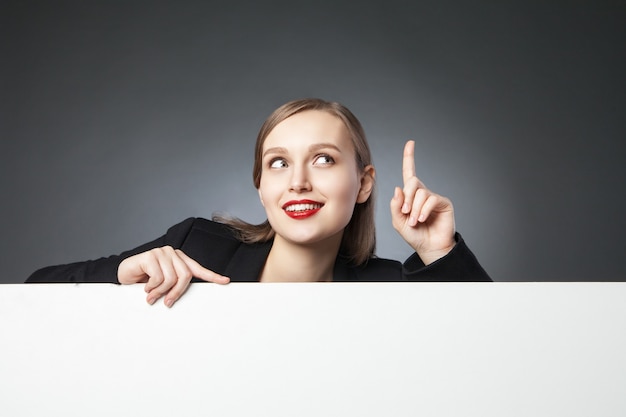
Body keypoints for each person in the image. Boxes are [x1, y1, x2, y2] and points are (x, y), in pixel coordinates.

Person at [27, 98, 491, 306]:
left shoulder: (397, 289)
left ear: (364, 183)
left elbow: (504, 352)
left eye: (324, 159)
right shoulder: (198, 247)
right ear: (260, 184)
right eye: (279, 164)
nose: (299, 183)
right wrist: (120, 274)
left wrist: (438, 253)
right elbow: (31, 293)